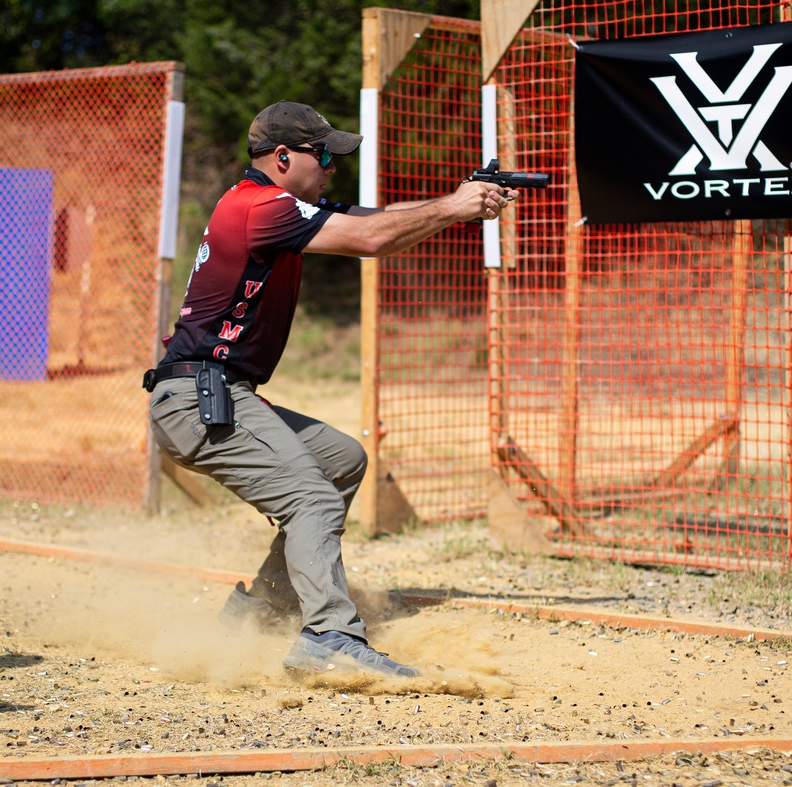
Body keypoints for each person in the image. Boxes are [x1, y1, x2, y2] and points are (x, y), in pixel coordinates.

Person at [144, 100, 517, 679]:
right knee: (312, 498)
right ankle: (330, 640)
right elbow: (370, 239)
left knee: (341, 459)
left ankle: (262, 613)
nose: (332, 169)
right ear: (284, 157)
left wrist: (458, 206)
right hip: (197, 400)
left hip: (213, 395)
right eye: (324, 157)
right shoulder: (260, 207)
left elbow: (378, 217)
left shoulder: (278, 204)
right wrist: (453, 206)